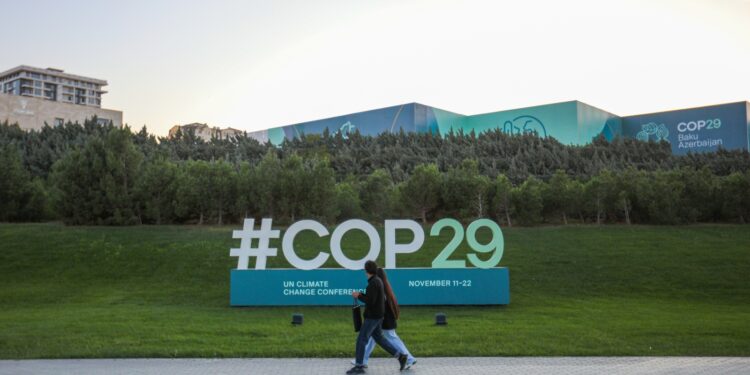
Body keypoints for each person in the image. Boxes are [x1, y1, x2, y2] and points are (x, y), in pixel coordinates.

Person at [348, 260, 407, 374]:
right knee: (380, 339)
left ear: (366, 270)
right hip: (378, 316)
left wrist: (359, 295)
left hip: (372, 317)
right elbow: (372, 298)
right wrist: (361, 294)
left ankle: (359, 366)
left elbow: (370, 301)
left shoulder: (373, 283)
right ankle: (400, 357)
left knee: (361, 339)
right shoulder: (377, 281)